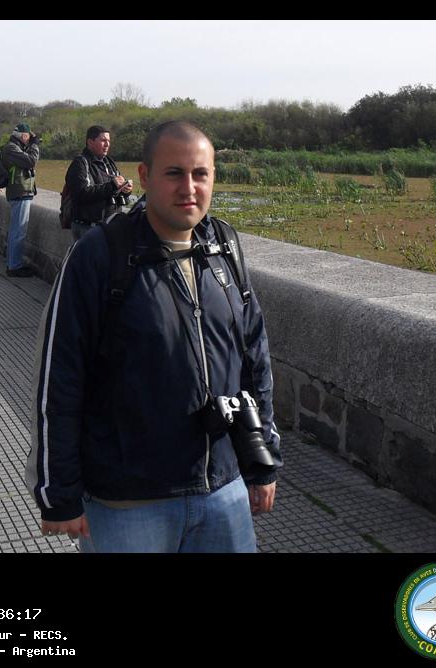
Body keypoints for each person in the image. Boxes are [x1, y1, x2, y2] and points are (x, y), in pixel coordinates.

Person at [24, 121, 282, 553]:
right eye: (174, 173)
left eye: (200, 174)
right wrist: (58, 492)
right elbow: (59, 377)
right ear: (144, 176)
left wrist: (263, 459)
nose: (189, 188)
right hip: (127, 503)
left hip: (222, 488)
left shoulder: (224, 247)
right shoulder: (100, 254)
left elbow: (255, 358)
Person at [66, 125, 134, 240]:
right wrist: (112, 186)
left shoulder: (109, 162)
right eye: (103, 140)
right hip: (88, 228)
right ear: (90, 142)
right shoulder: (80, 163)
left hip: (109, 226)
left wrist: (125, 190)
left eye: (109, 141)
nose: (107, 144)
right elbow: (81, 193)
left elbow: (113, 189)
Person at [2, 123, 40, 277]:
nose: (30, 139)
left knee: (15, 231)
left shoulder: (15, 147)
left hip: (20, 192)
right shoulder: (11, 148)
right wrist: (35, 145)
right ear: (23, 135)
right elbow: (31, 161)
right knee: (19, 232)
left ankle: (12, 263)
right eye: (29, 136)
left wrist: (31, 145)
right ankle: (14, 266)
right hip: (20, 192)